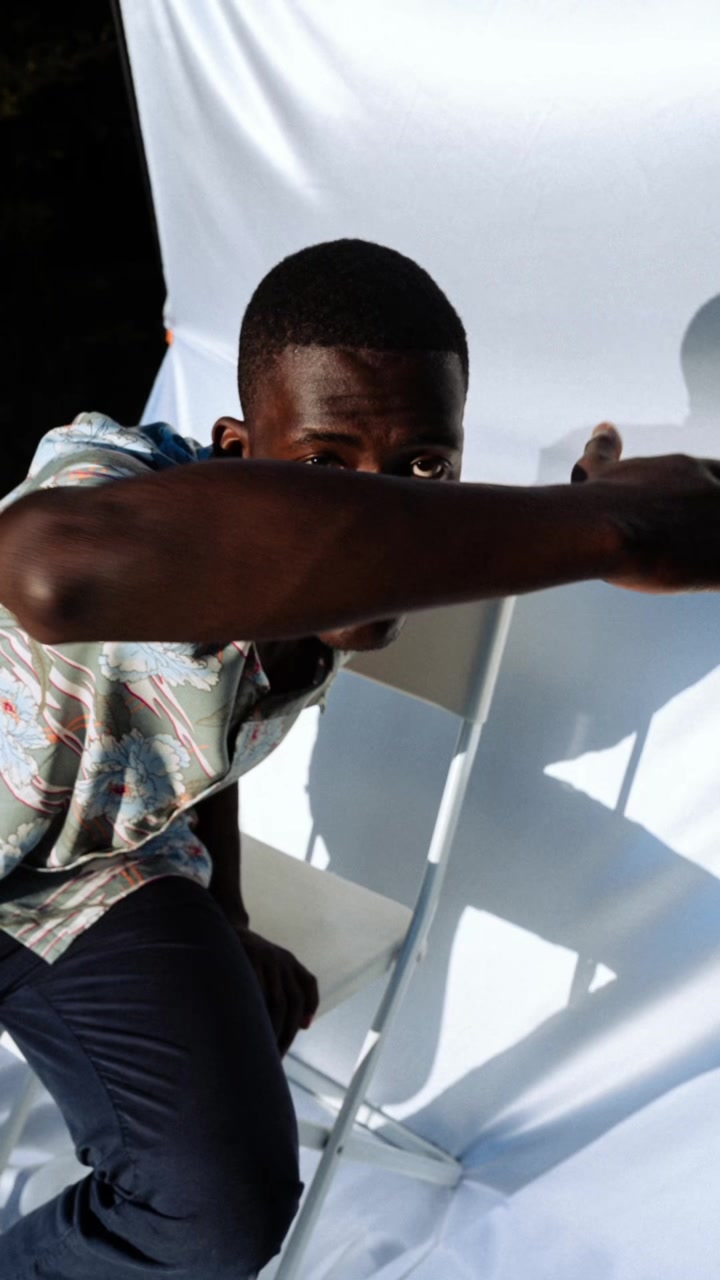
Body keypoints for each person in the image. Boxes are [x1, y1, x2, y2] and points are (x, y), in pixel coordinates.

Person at [0, 239, 719, 1280]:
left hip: (90, 873)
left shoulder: (321, 598)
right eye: (323, 470)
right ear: (234, 450)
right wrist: (606, 526)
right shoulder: (120, 486)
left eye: (425, 469)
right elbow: (45, 570)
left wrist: (223, 911)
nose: (380, 512)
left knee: (217, 1213)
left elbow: (202, 740)